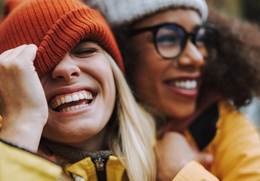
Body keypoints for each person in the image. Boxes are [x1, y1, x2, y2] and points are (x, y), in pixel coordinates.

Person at [0, 0, 219, 180]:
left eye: (85, 50)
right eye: (38, 62)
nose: (66, 70)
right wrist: (22, 125)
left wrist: (182, 174)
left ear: (114, 71)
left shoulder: (183, 151)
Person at [85, 0, 260, 180]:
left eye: (198, 39)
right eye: (168, 38)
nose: (197, 57)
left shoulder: (223, 126)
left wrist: (181, 172)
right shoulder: (78, 140)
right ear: (120, 48)